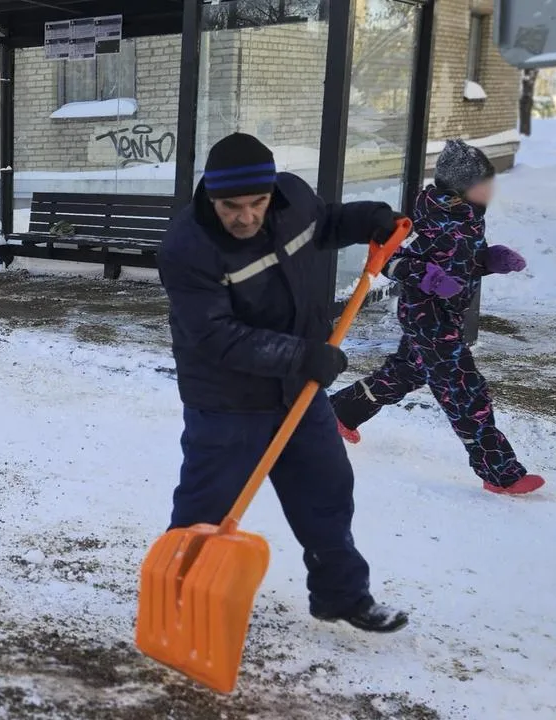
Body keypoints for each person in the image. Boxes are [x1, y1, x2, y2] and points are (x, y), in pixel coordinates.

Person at [158, 133, 408, 633]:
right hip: (228, 401)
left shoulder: (293, 198)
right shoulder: (187, 247)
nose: (245, 217)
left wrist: (371, 219)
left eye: (257, 202)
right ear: (211, 196)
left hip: (299, 390)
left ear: (272, 192)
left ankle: (341, 595)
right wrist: (303, 355)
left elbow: (328, 222)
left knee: (327, 490)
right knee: (206, 508)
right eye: (231, 206)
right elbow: (215, 337)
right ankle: (176, 602)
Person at [331, 140, 544, 496]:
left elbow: (459, 260)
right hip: (427, 317)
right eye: (483, 182)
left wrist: (490, 261)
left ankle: (337, 414)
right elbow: (389, 258)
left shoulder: (469, 217)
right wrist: (427, 277)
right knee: (464, 391)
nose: (490, 189)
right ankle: (501, 473)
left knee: (404, 371)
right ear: (461, 186)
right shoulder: (426, 216)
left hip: (447, 314)